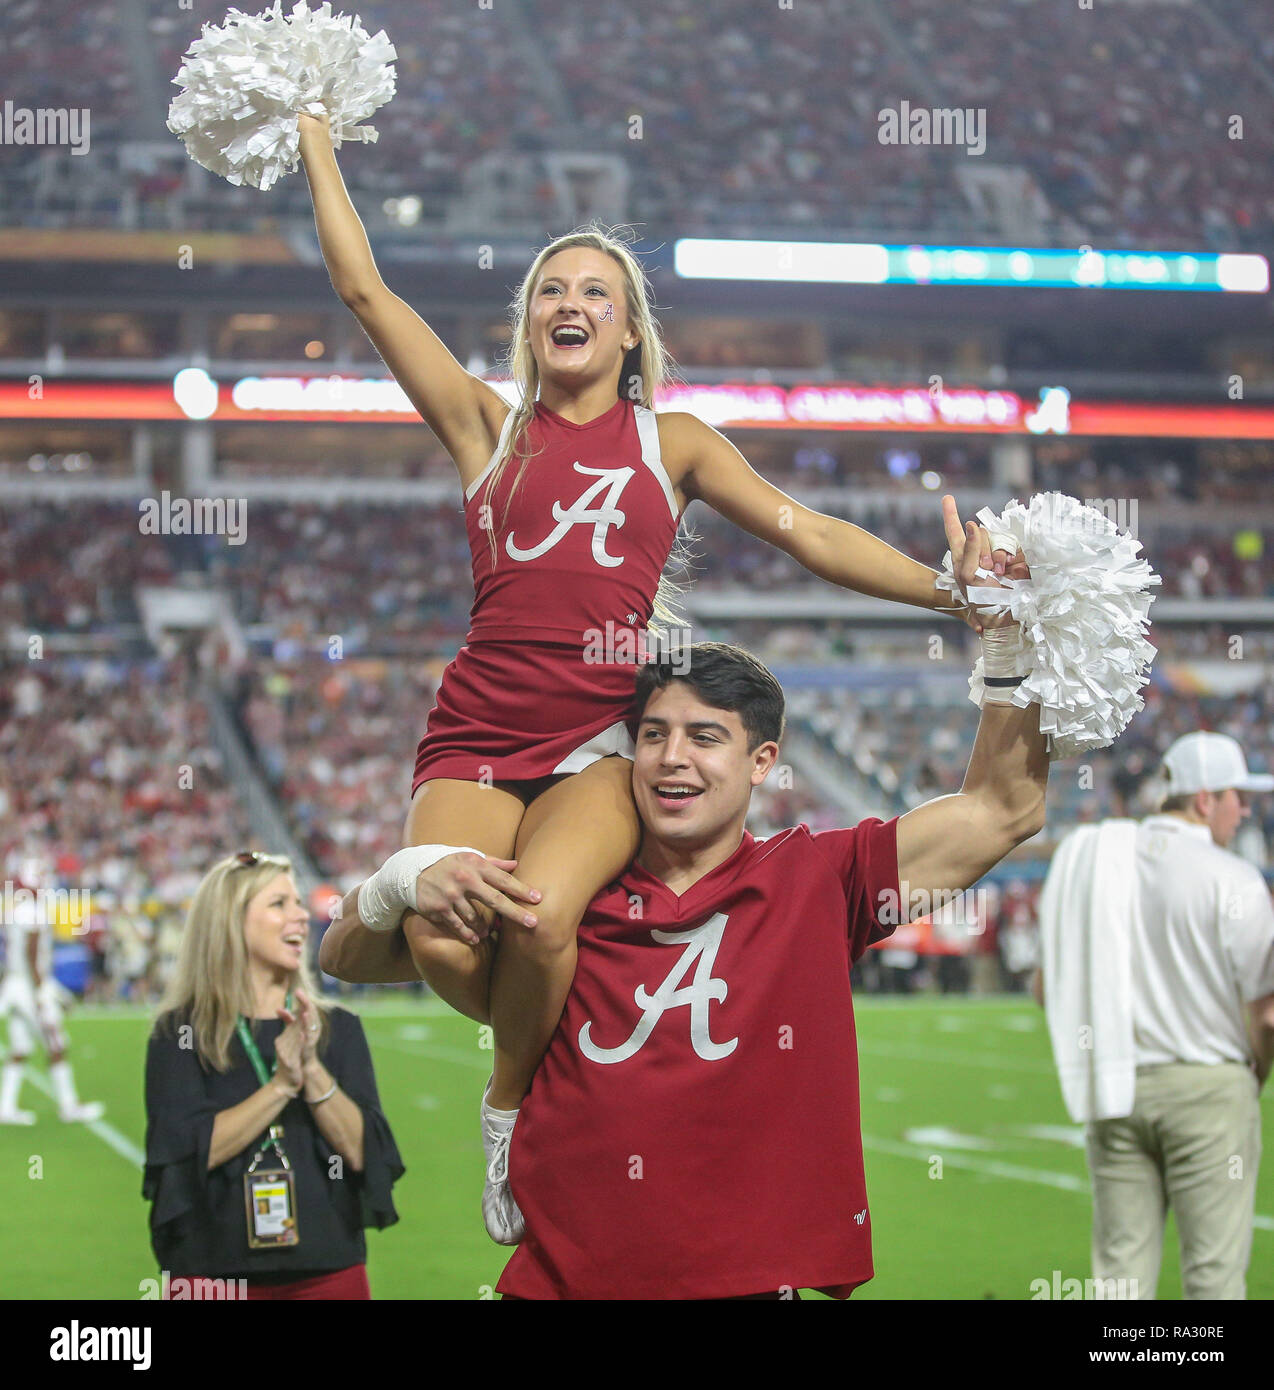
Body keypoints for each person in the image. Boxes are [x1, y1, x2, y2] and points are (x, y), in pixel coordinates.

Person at [297, 109, 1018, 1241]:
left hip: (594, 738)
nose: (567, 304)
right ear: (527, 323)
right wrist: (313, 130)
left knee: (535, 925)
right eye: (547, 291)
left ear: (628, 330)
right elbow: (364, 291)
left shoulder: (670, 442)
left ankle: (506, 1106)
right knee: (441, 937)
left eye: (593, 292)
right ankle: (421, 950)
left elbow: (810, 533)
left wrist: (950, 591)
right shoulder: (486, 427)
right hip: (475, 737)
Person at [323, 502, 1050, 1297]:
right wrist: (407, 876)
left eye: (705, 738)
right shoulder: (560, 891)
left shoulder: (818, 880)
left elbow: (1002, 810)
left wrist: (1008, 634)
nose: (674, 759)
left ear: (761, 760)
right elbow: (344, 956)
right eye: (654, 735)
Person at [1034, 731, 1274, 1300]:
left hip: (1116, 1082)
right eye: (1237, 796)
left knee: (1118, 1279)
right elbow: (1266, 1018)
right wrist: (1253, 1076)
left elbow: (1049, 987)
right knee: (1214, 1278)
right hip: (1209, 1086)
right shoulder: (1234, 878)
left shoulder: (1100, 863)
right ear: (1204, 799)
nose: (1245, 810)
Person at [143, 851, 403, 1300]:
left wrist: (311, 1071)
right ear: (230, 921)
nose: (302, 916)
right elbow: (186, 1154)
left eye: (299, 903)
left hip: (327, 1268)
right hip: (211, 1274)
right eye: (279, 904)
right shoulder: (181, 1034)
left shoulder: (337, 1028)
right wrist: (281, 1085)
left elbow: (365, 1154)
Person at [0, 873, 102, 1125]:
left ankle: (6, 1106)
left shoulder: (17, 910)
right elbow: (31, 955)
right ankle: (69, 1106)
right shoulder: (32, 912)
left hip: (15, 983)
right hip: (27, 987)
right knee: (56, 1044)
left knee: (20, 1048)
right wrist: (41, 995)